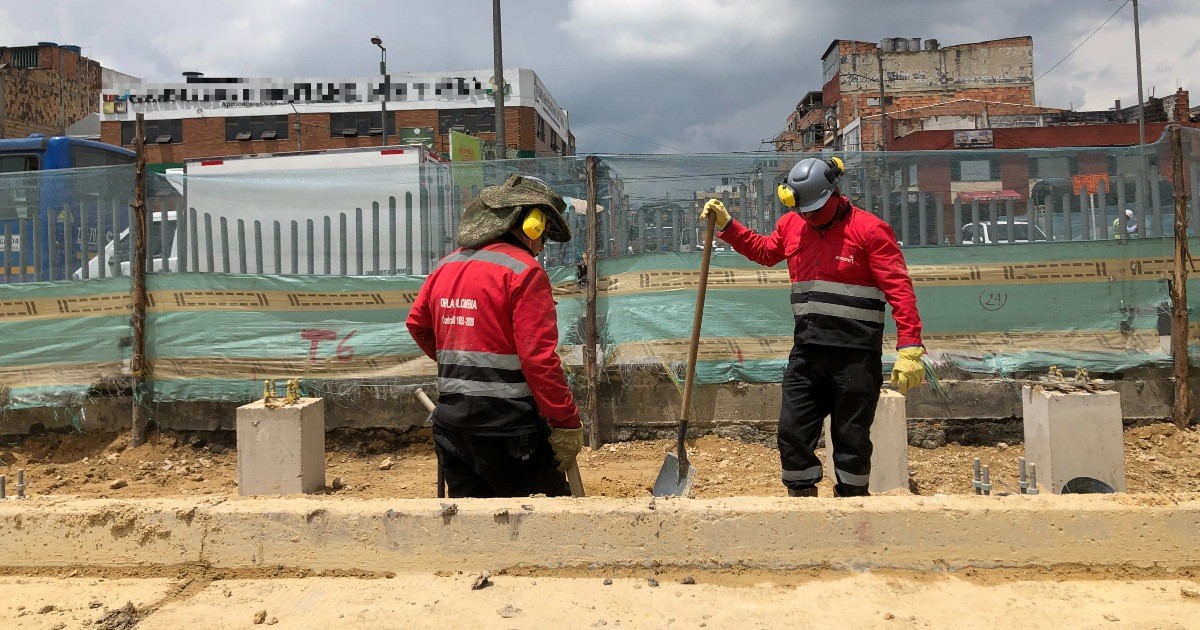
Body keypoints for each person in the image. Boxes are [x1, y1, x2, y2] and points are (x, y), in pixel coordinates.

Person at [701, 157, 926, 498]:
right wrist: (729, 226)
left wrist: (910, 346)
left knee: (851, 438)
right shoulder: (793, 225)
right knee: (792, 431)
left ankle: (853, 506)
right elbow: (765, 252)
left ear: (834, 194)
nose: (807, 216)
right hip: (807, 351)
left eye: (814, 210)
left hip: (856, 355)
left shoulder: (869, 230)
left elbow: (899, 288)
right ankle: (802, 500)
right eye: (802, 210)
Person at [406, 174, 583, 498]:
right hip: (509, 435)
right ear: (531, 224)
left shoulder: (445, 266)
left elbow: (418, 324)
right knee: (550, 530)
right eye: (543, 233)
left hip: (452, 431)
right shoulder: (524, 272)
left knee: (474, 536)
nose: (543, 246)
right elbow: (538, 360)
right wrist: (566, 422)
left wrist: (463, 366)